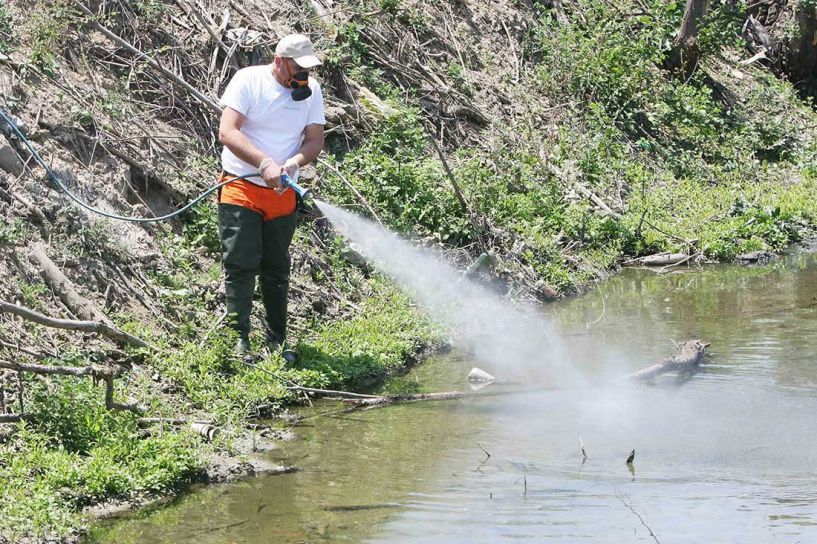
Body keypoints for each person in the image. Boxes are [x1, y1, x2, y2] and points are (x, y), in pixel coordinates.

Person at [216, 33, 326, 356]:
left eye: (308, 69)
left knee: (277, 266)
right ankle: (239, 340)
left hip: (282, 193)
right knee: (241, 262)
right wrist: (263, 162)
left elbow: (314, 140)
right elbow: (228, 130)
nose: (303, 77)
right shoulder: (249, 81)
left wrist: (291, 163)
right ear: (279, 62)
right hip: (241, 185)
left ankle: (277, 341)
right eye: (298, 69)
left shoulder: (312, 92)